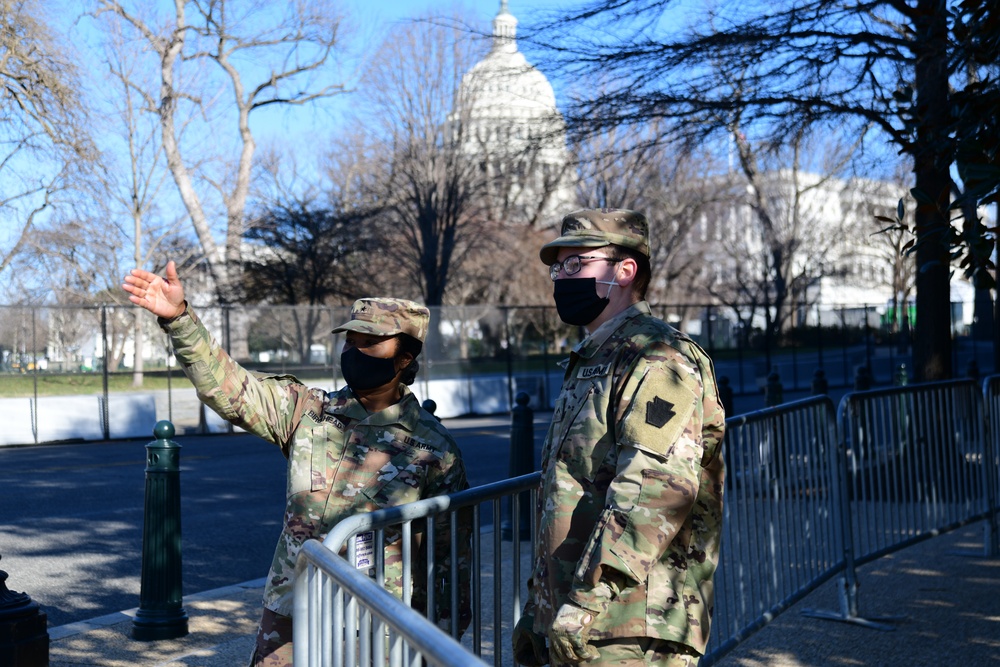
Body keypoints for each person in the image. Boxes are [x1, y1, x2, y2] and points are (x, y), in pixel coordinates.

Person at [122, 262, 470, 666]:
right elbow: (230, 387)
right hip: (290, 612)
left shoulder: (434, 450)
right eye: (349, 342)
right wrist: (181, 320)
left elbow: (447, 563)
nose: (354, 353)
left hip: (373, 625)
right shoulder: (309, 411)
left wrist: (436, 647)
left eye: (370, 344)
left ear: (404, 358)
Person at [512, 209, 726, 667]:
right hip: (580, 616)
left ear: (625, 271)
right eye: (558, 267)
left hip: (631, 621)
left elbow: (654, 489)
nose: (561, 278)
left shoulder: (657, 356)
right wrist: (540, 609)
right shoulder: (597, 355)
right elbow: (570, 492)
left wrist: (588, 599)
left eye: (577, 264)